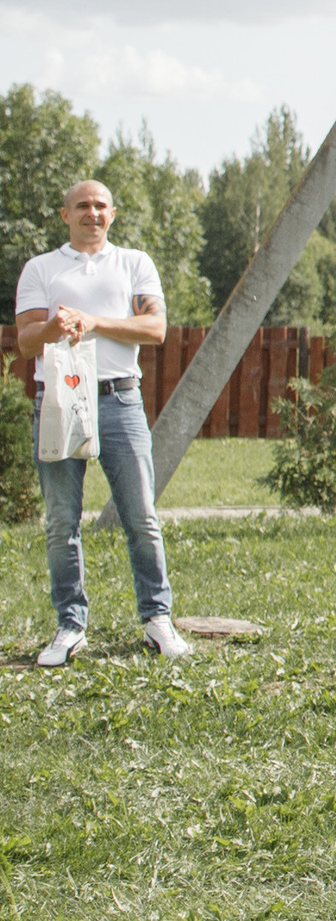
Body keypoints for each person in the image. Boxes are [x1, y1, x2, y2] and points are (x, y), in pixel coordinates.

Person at [14, 175, 191, 668]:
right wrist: (55, 327)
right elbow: (26, 341)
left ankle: (158, 620)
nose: (92, 213)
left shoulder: (134, 263)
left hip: (119, 400)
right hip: (59, 400)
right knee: (60, 521)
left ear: (112, 215)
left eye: (100, 206)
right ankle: (70, 626)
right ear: (65, 215)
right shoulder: (41, 268)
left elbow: (154, 328)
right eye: (82, 206)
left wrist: (93, 322)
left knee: (141, 516)